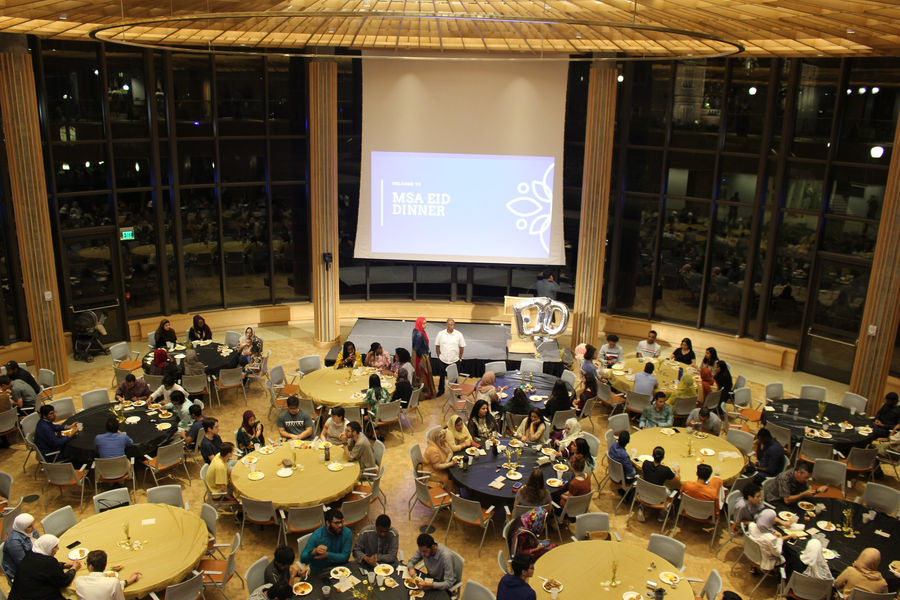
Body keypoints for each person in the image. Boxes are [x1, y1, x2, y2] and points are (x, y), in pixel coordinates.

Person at [9, 534, 80, 600]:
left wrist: (63, 565)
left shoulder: (31, 554)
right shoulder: (48, 562)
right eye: (55, 547)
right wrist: (74, 569)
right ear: (48, 548)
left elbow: (42, 568)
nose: (58, 548)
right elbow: (64, 581)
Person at [300, 508, 352, 573]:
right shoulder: (317, 535)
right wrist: (314, 552)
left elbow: (345, 557)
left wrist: (327, 555)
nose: (340, 525)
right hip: (320, 569)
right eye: (336, 523)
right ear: (328, 523)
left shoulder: (347, 533)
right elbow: (303, 558)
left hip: (339, 568)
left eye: (341, 522)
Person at [74, 550, 141, 600]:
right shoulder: (113, 582)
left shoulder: (78, 581)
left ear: (90, 567)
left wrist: (130, 580)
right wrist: (130, 580)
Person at [763, 463, 828, 504]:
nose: (807, 480)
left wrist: (818, 491)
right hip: (776, 500)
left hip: (790, 497)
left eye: (808, 478)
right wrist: (802, 495)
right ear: (798, 473)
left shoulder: (801, 478)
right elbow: (787, 500)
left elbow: (806, 492)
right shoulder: (784, 478)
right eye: (806, 478)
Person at [2, 513, 39, 580]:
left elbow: (40, 547)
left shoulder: (33, 532)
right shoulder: (14, 542)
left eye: (33, 524)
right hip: (19, 573)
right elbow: (23, 564)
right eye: (29, 526)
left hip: (33, 562)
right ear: (22, 528)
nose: (33, 528)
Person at [435, 318, 465, 397]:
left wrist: (460, 357)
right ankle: (441, 391)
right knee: (441, 377)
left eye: (452, 324)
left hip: (454, 360)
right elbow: (437, 346)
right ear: (446, 325)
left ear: (454, 325)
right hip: (443, 359)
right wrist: (439, 356)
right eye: (449, 324)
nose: (451, 326)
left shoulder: (459, 334)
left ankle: (456, 392)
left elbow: (462, 347)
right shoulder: (440, 334)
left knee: (455, 378)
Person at [412, 317, 436, 399]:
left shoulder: (417, 330)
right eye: (424, 323)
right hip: (421, 358)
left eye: (426, 323)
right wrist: (424, 358)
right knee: (423, 374)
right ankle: (424, 393)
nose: (426, 325)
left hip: (420, 356)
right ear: (419, 324)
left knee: (422, 374)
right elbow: (417, 348)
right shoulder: (419, 334)